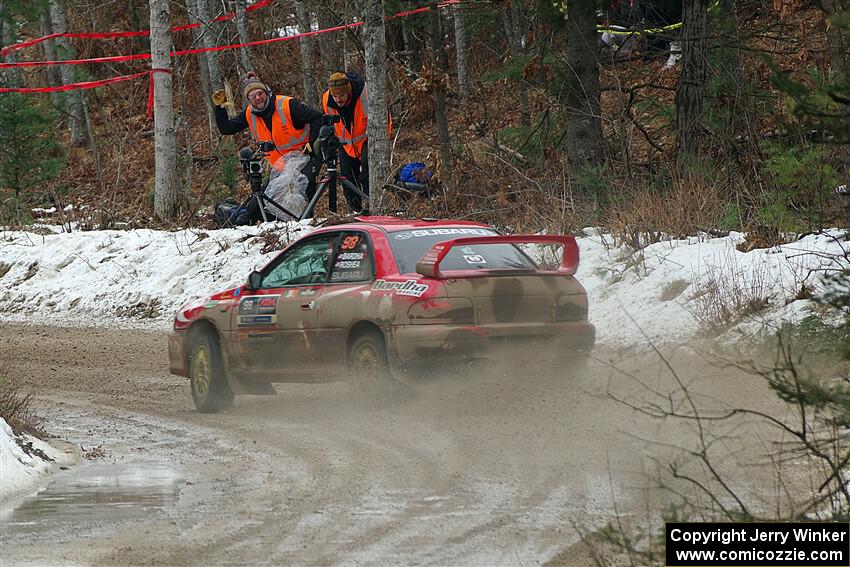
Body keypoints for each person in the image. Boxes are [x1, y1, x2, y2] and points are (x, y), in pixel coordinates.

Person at [212, 72, 324, 220]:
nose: (258, 98)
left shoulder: (286, 105)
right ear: (249, 100)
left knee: (302, 185)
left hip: (305, 156)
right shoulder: (250, 114)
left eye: (260, 93)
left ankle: (306, 223)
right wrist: (219, 109)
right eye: (253, 96)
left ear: (266, 92)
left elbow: (317, 117)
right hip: (281, 165)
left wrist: (311, 143)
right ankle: (247, 217)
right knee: (265, 196)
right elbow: (227, 129)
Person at [321, 71, 392, 212]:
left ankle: (374, 208)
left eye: (341, 95)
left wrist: (383, 139)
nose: (337, 99)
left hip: (368, 139)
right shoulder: (326, 99)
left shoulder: (366, 93)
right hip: (345, 143)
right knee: (347, 178)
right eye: (335, 96)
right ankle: (355, 211)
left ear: (349, 91)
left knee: (368, 175)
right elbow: (328, 121)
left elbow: (386, 118)